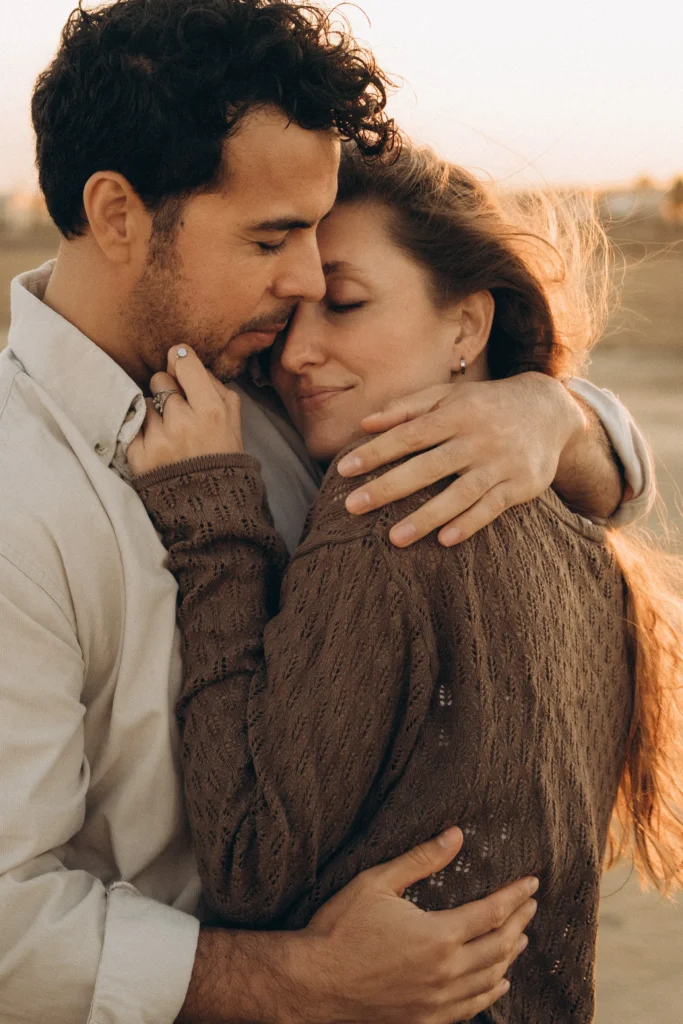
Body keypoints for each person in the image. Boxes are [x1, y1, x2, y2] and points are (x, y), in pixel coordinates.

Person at [0, 1, 654, 1022]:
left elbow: (586, 482)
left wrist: (552, 413)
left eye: (317, 240)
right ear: (119, 214)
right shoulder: (15, 497)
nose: (303, 280)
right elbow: (10, 925)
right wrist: (306, 981)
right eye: (273, 237)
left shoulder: (273, 384)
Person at [129, 141, 683, 1023]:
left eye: (344, 304)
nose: (295, 355)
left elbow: (244, 859)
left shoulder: (386, 519)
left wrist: (214, 531)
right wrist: (555, 407)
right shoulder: (587, 544)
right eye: (290, 317)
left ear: (466, 328)